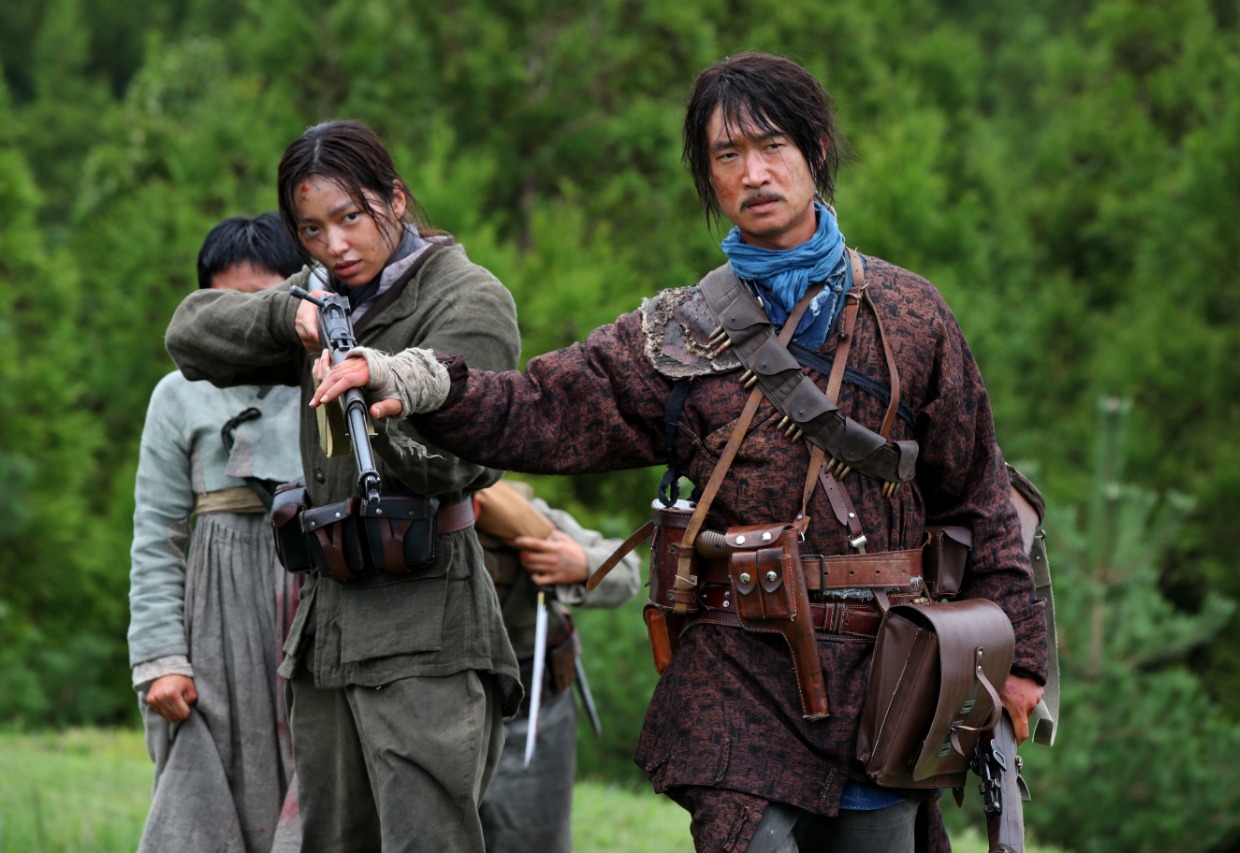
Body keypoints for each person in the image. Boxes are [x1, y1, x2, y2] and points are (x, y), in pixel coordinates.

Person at [312, 53, 1048, 853]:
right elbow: (539, 409)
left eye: (772, 146)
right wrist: (415, 379)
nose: (753, 173)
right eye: (727, 155)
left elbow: (977, 494)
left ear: (816, 152)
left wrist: (1023, 661)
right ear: (707, 175)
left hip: (890, 672)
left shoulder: (910, 314)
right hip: (741, 673)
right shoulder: (677, 334)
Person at [164, 120, 523, 852]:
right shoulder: (323, 297)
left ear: (396, 199)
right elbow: (188, 334)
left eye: (351, 217)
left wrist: (381, 391)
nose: (335, 245)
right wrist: (288, 314)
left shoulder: (467, 296)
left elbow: (465, 458)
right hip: (328, 625)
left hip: (429, 623)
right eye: (312, 230)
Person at [128, 212, 310, 853]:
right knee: (213, 793)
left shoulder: (330, 376)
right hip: (215, 618)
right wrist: (161, 661)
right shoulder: (176, 394)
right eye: (228, 303)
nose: (246, 319)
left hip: (317, 597)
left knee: (326, 781)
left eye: (264, 299)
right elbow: (156, 534)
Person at [472, 480, 641, 852]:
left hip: (532, 714)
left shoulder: (515, 514)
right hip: (430, 711)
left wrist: (581, 563)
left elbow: (626, 568)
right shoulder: (390, 516)